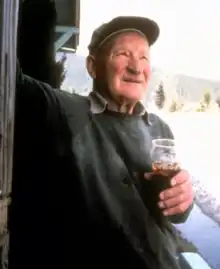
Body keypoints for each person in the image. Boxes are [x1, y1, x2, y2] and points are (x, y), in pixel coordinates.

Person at [9, 16, 194, 269]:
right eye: (123, 54)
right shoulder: (62, 111)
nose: (136, 67)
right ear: (93, 66)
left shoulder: (159, 128)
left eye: (144, 58)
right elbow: (10, 78)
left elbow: (173, 212)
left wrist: (183, 200)